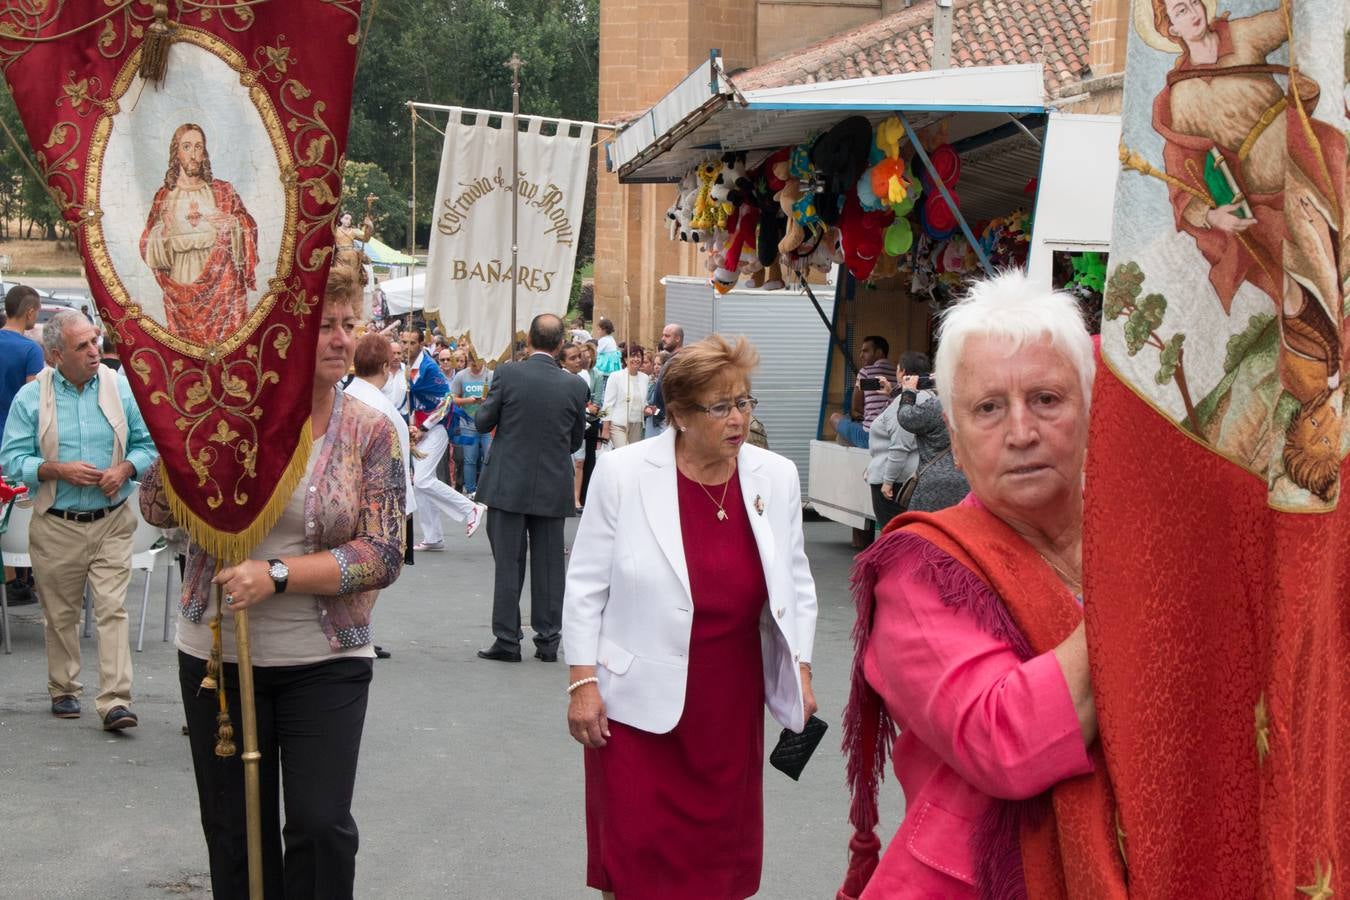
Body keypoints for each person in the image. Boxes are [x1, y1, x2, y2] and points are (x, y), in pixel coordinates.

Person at [838, 272, 1114, 899]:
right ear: (955, 447)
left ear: (1092, 415)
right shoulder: (924, 569)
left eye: (1047, 398)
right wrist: (1142, 584)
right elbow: (1006, 740)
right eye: (989, 408)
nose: (1021, 432)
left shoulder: (1123, 533)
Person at [139, 253, 406, 899]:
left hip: (325, 658)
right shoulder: (228, 416)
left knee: (320, 827)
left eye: (350, 322)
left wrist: (278, 574)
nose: (344, 338)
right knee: (234, 832)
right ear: (283, 332)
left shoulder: (369, 430)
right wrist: (189, 443)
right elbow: (153, 507)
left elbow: (384, 552)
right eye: (326, 324)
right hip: (218, 658)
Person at [563, 334, 819, 899]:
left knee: (717, 860)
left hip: (729, 701)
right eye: (720, 406)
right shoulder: (625, 472)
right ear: (677, 413)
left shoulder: (774, 477)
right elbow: (585, 584)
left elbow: (795, 583)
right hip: (632, 708)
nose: (738, 420)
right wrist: (582, 681)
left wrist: (799, 665)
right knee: (635, 856)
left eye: (745, 402)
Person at [0, 309, 158, 728]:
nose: (95, 351)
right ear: (54, 355)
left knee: (112, 608)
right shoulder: (31, 398)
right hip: (57, 521)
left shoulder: (120, 387)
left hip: (111, 520)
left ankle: (115, 701)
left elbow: (148, 444)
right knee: (61, 613)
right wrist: (56, 469)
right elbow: (12, 460)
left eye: (95, 340)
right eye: (82, 346)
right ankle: (64, 688)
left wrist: (124, 470)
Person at [474, 313, 587, 663]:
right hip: (552, 483)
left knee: (509, 564)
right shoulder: (575, 386)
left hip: (507, 482)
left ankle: (507, 640)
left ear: (529, 341)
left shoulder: (508, 373)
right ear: (559, 344)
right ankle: (548, 641)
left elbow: (482, 422)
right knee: (551, 565)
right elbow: (575, 441)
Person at [140, 123, 259, 346]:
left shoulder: (223, 192)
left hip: (221, 291)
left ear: (204, 152)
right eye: (187, 147)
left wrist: (234, 224)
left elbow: (248, 226)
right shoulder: (165, 196)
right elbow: (147, 244)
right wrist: (164, 231)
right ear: (176, 152)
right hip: (180, 287)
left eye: (198, 147)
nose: (194, 154)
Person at [345, 332, 416, 660]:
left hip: (345, 497)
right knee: (372, 571)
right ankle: (358, 631)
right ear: (386, 366)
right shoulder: (384, 410)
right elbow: (397, 471)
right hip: (377, 504)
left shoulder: (343, 397)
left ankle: (354, 629)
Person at [400, 328, 485, 549]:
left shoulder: (429, 368)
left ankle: (470, 508)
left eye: (411, 343)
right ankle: (433, 537)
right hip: (418, 427)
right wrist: (412, 426)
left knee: (422, 480)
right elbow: (411, 402)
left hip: (437, 428)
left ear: (421, 344)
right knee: (420, 484)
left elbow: (446, 401)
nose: (405, 347)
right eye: (403, 342)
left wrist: (424, 428)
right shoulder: (407, 367)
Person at [0, 285, 45, 605]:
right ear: (29, 311)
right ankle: (22, 580)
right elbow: (34, 403)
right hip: (13, 442)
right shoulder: (31, 351)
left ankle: (8, 579)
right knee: (18, 509)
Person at [865, 351, 932, 531]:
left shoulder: (906, 402)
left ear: (902, 372)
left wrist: (888, 481)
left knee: (894, 536)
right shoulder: (929, 397)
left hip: (896, 482)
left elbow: (900, 445)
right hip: (913, 476)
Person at [829, 335, 897, 448]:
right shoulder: (898, 374)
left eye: (865, 351)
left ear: (879, 352)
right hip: (892, 438)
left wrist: (869, 415)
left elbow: (856, 406)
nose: (861, 356)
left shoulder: (865, 372)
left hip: (870, 438)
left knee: (834, 418)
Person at [448, 350, 493, 495]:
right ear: (468, 362)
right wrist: (469, 400)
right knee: (470, 460)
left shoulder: (490, 375)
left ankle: (486, 490)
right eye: (473, 365)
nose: (477, 368)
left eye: (479, 364)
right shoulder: (461, 376)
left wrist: (488, 401)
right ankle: (471, 490)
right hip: (467, 424)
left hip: (487, 424)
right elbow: (452, 398)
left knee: (488, 458)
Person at [560, 342, 590, 511]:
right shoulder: (561, 380)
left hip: (579, 431)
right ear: (563, 362)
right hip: (564, 434)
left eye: (579, 356)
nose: (578, 360)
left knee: (579, 463)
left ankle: (575, 498)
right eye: (573, 358)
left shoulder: (583, 377)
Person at [600, 347, 649, 448]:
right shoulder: (615, 376)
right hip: (618, 425)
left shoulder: (645, 378)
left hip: (637, 425)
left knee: (633, 456)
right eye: (632, 356)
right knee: (622, 454)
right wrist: (605, 429)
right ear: (625, 359)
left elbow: (643, 401)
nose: (636, 359)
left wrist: (647, 408)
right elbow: (607, 404)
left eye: (638, 356)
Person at [648, 323, 685, 434]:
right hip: (663, 419)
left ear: (678, 338)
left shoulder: (680, 361)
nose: (663, 339)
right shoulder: (671, 360)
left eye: (667, 336)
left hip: (670, 421)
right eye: (663, 335)